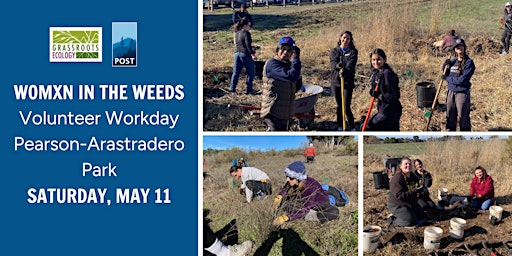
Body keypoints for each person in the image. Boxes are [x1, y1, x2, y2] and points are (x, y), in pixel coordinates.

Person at [272, 161, 339, 225]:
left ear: (299, 178)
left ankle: (308, 215)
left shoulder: (311, 186)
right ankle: (302, 214)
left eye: (291, 178)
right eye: (287, 176)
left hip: (319, 204)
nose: (287, 179)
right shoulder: (293, 181)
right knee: (286, 203)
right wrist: (279, 196)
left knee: (334, 212)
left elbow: (306, 207)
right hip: (303, 202)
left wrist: (286, 218)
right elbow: (286, 188)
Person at [261, 36, 302, 131]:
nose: (285, 53)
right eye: (282, 49)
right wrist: (296, 59)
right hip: (273, 111)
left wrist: (297, 73)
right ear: (277, 50)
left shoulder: (289, 66)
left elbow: (296, 87)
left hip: (285, 112)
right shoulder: (272, 64)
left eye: (288, 51)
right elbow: (290, 77)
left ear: (291, 53)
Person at [441, 38, 475, 131]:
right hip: (451, 92)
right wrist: (445, 65)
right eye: (457, 47)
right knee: (450, 114)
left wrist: (447, 79)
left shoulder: (469, 63)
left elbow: (462, 80)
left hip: (462, 93)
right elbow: (445, 71)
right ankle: (450, 133)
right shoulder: (453, 61)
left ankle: (465, 133)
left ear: (464, 47)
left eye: (461, 46)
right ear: (454, 49)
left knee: (463, 116)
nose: (459, 48)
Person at [365, 48, 402, 131]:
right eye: (373, 60)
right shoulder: (376, 72)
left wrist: (380, 96)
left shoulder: (388, 74)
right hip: (382, 108)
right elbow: (374, 89)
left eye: (378, 59)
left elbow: (394, 96)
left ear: (384, 59)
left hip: (390, 111)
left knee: (368, 126)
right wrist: (372, 92)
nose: (376, 62)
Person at [329, 31, 358, 131]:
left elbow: (351, 64)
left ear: (350, 40)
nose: (345, 40)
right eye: (344, 37)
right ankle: (340, 126)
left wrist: (345, 72)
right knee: (339, 106)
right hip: (335, 82)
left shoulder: (353, 51)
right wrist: (337, 66)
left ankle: (352, 126)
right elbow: (333, 64)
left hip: (347, 83)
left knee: (345, 106)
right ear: (340, 37)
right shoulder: (334, 51)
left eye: (348, 38)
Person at [387, 157, 426, 227]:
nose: (408, 165)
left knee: (421, 215)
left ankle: (406, 213)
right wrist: (414, 191)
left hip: (408, 202)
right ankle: (393, 220)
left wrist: (421, 191)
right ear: (400, 166)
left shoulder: (413, 176)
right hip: (397, 204)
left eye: (410, 164)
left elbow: (418, 186)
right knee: (410, 220)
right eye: (406, 164)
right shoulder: (398, 178)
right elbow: (399, 195)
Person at [229, 18, 257, 94]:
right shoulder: (246, 33)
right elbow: (248, 45)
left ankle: (232, 89)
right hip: (244, 54)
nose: (250, 27)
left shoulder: (237, 32)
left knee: (235, 73)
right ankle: (249, 89)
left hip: (236, 54)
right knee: (251, 72)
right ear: (245, 25)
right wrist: (252, 54)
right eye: (249, 25)